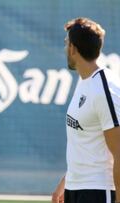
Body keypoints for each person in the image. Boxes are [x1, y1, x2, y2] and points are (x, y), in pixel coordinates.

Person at [52, 17, 120, 203]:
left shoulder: (104, 89)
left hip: (98, 191)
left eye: (67, 44)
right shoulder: (83, 81)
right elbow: (84, 143)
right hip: (75, 188)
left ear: (73, 49)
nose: (66, 48)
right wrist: (66, 183)